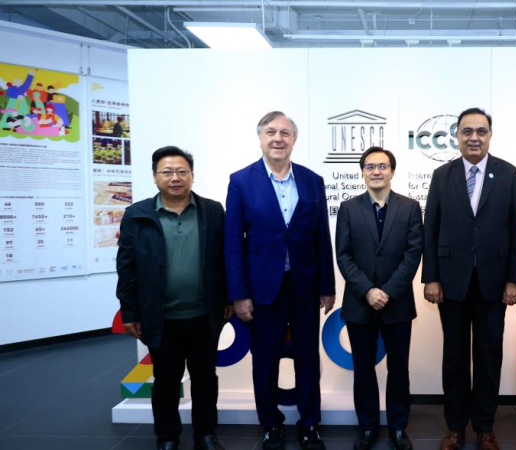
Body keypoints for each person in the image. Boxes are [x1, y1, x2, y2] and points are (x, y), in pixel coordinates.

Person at [225, 111, 336, 450]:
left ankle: (309, 423)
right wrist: (239, 293)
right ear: (260, 138)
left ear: (294, 139)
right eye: (271, 132)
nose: (278, 138)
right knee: (265, 360)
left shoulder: (312, 180)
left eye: (285, 133)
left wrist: (327, 286)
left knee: (308, 358)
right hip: (262, 289)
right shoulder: (241, 181)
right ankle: (271, 424)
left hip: (304, 285)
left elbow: (322, 236)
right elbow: (233, 242)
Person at [422, 107, 516, 450]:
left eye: (481, 131)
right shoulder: (442, 175)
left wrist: (515, 280)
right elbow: (431, 228)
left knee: (488, 356)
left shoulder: (508, 174)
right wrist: (431, 277)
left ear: (490, 135)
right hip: (451, 282)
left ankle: (484, 428)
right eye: (467, 131)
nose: (474, 137)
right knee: (454, 358)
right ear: (456, 136)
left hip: (493, 284)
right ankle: (455, 427)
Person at [116, 146, 231, 450]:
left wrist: (230, 298)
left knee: (205, 377)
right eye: (167, 172)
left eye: (182, 171)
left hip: (204, 314)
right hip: (160, 316)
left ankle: (205, 434)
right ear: (155, 177)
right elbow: (126, 267)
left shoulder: (212, 211)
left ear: (192, 175)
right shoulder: (137, 215)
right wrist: (130, 311)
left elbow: (226, 258)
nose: (175, 178)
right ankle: (167, 437)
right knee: (166, 380)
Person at [335, 147, 423, 450]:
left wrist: (388, 290)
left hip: (397, 302)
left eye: (382, 166)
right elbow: (343, 255)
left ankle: (398, 427)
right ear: (362, 172)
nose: (376, 171)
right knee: (363, 369)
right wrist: (368, 290)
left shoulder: (410, 207)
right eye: (370, 166)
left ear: (392, 172)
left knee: (398, 369)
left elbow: (413, 253)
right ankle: (368, 426)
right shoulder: (348, 208)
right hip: (360, 302)